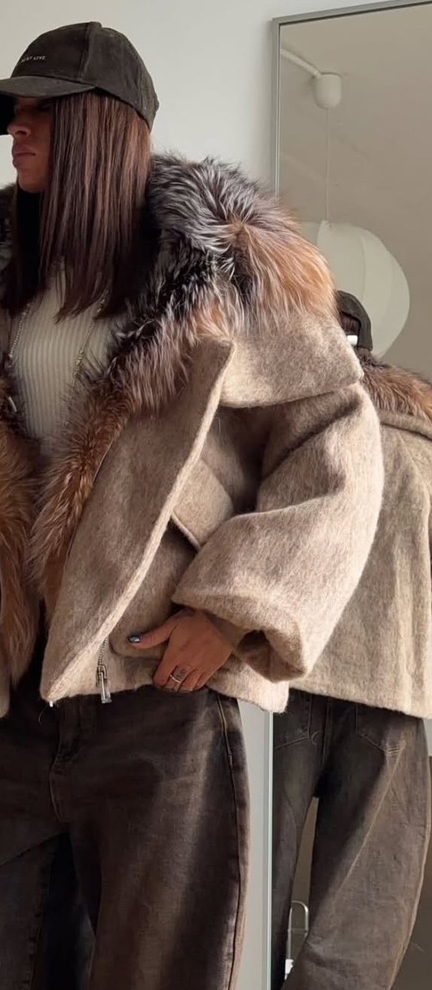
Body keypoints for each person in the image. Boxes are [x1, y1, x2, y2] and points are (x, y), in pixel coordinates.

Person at [0, 22, 382, 990]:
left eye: (39, 114)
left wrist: (231, 611)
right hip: (21, 707)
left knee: (155, 970)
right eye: (13, 116)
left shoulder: (227, 281)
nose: (17, 132)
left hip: (159, 708)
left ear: (105, 128)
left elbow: (335, 450)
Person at [271, 293, 432, 990]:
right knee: (361, 925)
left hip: (278, 676)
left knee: (241, 908)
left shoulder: (277, 413)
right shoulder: (423, 439)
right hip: (393, 683)